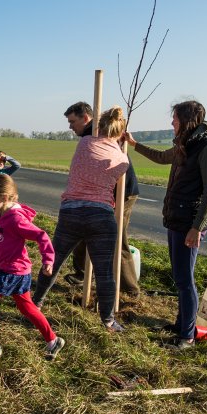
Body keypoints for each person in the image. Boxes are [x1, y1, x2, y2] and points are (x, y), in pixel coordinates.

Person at [124, 100, 207, 350]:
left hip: (189, 222)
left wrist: (197, 227)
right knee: (179, 278)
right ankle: (180, 325)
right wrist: (134, 145)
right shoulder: (183, 145)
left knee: (185, 279)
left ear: (187, 121)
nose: (171, 122)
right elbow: (160, 157)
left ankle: (187, 336)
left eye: (175, 119)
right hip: (176, 218)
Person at [32, 107, 130, 333]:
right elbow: (118, 170)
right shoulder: (122, 159)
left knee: (53, 262)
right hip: (102, 216)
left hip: (71, 212)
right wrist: (122, 147)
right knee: (104, 271)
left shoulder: (85, 144)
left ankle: (35, 304)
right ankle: (108, 321)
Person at [0, 173, 65, 361]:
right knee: (27, 308)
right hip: (12, 270)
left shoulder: (15, 218)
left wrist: (48, 260)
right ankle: (53, 341)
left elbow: (41, 235)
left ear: (4, 198)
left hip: (13, 271)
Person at [61, 102, 142, 295]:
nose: (70, 126)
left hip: (120, 192)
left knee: (115, 240)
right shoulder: (92, 134)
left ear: (85, 118)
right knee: (82, 230)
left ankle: (130, 290)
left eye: (73, 121)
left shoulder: (97, 134)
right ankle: (82, 274)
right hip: (98, 194)